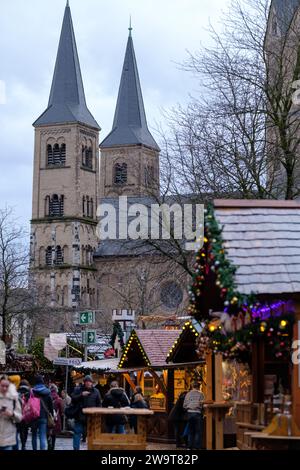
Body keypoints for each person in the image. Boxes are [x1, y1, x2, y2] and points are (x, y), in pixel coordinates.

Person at [71, 375, 101, 451]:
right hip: (79, 415)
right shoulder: (78, 390)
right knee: (77, 432)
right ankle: (76, 448)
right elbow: (73, 399)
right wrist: (81, 395)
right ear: (84, 382)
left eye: (89, 381)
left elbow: (99, 403)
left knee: (91, 434)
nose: (88, 383)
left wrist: (97, 412)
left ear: (92, 383)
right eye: (86, 381)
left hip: (91, 416)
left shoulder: (96, 391)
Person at [0, 375, 22, 451]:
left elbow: (19, 418)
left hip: (8, 438)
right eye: (2, 386)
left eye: (6, 386)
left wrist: (12, 414)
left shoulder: (13, 398)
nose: (4, 388)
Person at [31, 375, 54, 451]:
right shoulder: (47, 392)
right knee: (42, 435)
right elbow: (51, 405)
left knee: (34, 435)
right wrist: (52, 415)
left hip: (34, 416)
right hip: (43, 416)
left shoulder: (32, 391)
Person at [183, 382, 205, 450]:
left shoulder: (188, 394)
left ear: (192, 386)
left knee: (190, 430)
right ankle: (197, 447)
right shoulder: (201, 394)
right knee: (198, 431)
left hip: (189, 413)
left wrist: (190, 406)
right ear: (199, 387)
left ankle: (189, 447)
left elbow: (184, 405)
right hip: (197, 413)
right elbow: (203, 404)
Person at [48, 384, 63, 450]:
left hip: (48, 418)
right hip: (56, 418)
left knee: (48, 432)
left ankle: (48, 446)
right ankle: (53, 446)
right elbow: (62, 410)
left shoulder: (47, 398)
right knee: (54, 434)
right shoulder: (59, 399)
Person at [18, 380, 31, 450]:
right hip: (27, 413)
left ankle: (22, 443)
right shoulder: (29, 392)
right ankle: (24, 444)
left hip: (19, 413)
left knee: (21, 429)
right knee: (25, 429)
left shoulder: (18, 392)